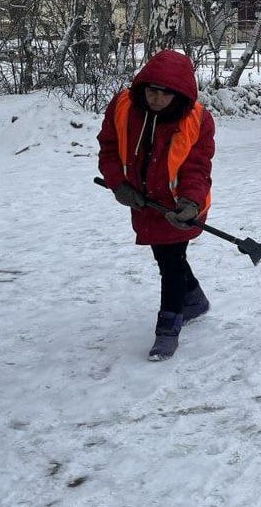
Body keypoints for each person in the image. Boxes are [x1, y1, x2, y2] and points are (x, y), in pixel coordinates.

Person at [97, 50, 216, 361]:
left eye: (165, 93)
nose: (156, 98)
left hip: (180, 208)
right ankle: (195, 300)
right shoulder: (124, 106)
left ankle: (168, 328)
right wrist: (118, 184)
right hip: (143, 202)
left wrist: (191, 203)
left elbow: (197, 167)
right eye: (151, 90)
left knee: (171, 262)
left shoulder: (198, 120)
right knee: (166, 257)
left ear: (179, 93)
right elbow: (108, 147)